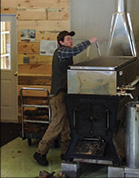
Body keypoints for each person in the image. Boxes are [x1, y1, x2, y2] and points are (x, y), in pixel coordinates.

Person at [33, 30, 98, 166]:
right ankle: (40, 152)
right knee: (57, 124)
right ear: (60, 42)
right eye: (68, 39)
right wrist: (89, 42)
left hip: (66, 94)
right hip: (58, 95)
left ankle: (66, 152)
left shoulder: (65, 53)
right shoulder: (62, 52)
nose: (70, 41)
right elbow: (74, 51)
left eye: (71, 39)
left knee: (67, 125)